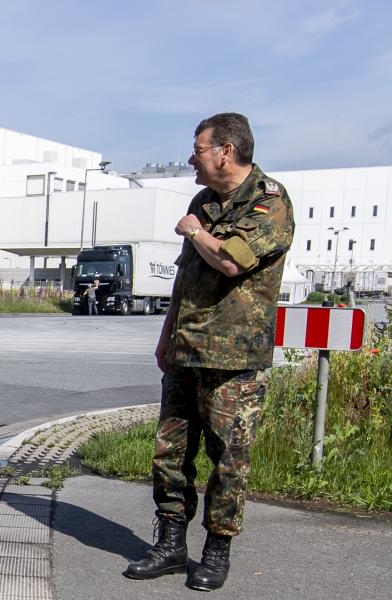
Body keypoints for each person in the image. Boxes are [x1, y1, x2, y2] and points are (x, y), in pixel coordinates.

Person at [124, 113, 294, 591]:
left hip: (234, 361)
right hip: (186, 349)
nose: (191, 159)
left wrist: (194, 231)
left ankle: (215, 552)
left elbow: (229, 261)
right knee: (170, 455)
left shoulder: (269, 201)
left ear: (226, 151)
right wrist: (165, 333)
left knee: (228, 460)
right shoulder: (203, 200)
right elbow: (186, 278)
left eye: (197, 150)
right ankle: (171, 546)